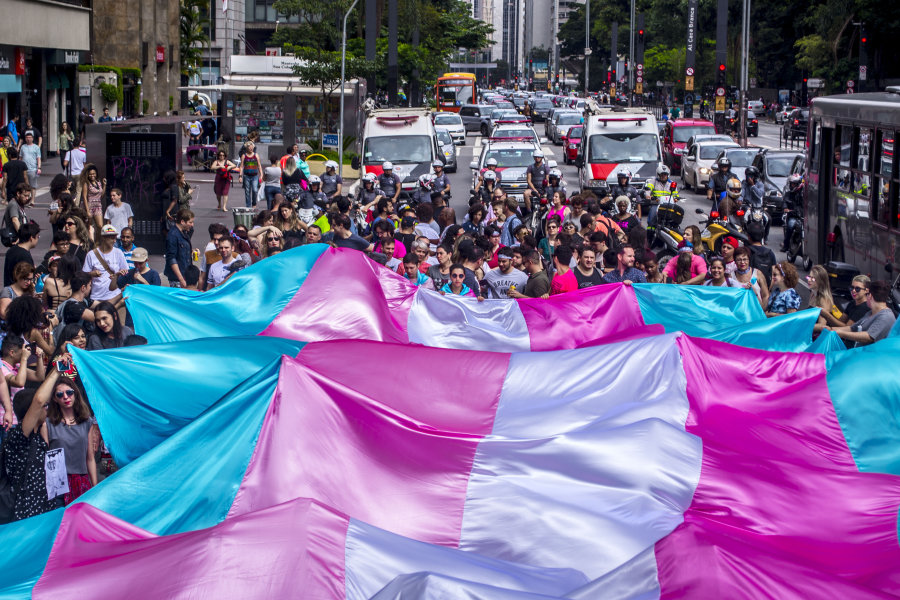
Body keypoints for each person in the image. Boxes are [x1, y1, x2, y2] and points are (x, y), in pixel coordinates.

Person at [3, 384, 59, 520]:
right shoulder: (18, 438)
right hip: (25, 512)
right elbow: (39, 400)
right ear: (33, 410)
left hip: (44, 507)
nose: (47, 408)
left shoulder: (37, 436)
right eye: (44, 406)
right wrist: (57, 370)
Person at [45, 374, 98, 504]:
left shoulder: (87, 422)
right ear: (55, 399)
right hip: (57, 485)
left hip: (81, 482)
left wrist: (96, 487)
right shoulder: (48, 424)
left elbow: (90, 458)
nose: (66, 397)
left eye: (69, 392)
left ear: (75, 394)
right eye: (60, 394)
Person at [826, 280, 896, 347]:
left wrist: (841, 333)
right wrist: (830, 329)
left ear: (870, 295)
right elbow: (852, 328)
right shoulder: (870, 313)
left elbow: (868, 336)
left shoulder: (886, 316)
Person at [82, 225, 129, 308]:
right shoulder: (91, 254)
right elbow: (83, 276)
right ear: (103, 238)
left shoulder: (118, 252)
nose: (115, 241)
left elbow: (126, 273)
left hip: (115, 295)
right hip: (96, 297)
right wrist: (92, 273)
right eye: (112, 238)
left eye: (115, 238)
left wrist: (119, 274)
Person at [164, 209, 195, 288]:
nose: (192, 225)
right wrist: (181, 279)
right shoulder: (173, 235)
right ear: (182, 222)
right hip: (177, 278)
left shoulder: (183, 232)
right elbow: (171, 259)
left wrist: (192, 251)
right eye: (190, 222)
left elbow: (181, 252)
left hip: (185, 274)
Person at [3, 221, 38, 287]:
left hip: (9, 289)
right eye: (37, 237)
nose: (37, 239)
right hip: (19, 292)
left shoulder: (11, 250)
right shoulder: (25, 256)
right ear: (31, 238)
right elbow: (27, 279)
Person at [238, 141, 262, 208]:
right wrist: (240, 176)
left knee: (255, 190)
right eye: (249, 147)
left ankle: (254, 203)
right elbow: (241, 166)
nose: (251, 148)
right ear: (247, 148)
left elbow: (259, 165)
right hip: (246, 176)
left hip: (254, 176)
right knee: (247, 192)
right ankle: (248, 206)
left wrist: (261, 175)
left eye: (252, 147)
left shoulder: (256, 155)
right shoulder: (244, 156)